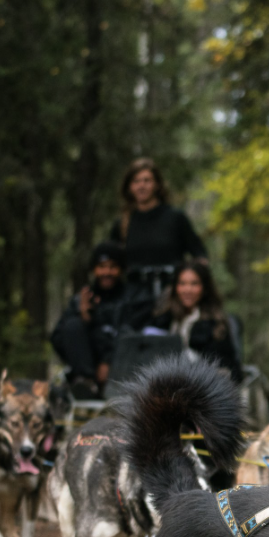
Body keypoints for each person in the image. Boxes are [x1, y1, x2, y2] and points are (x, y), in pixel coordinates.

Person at [109, 158, 207, 293]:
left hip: (172, 294)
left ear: (157, 185)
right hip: (133, 298)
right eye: (136, 181)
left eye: (146, 180)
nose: (141, 186)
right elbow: (110, 265)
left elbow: (199, 255)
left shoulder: (175, 218)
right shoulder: (122, 224)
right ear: (129, 187)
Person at [51, 243, 130, 398]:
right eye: (101, 266)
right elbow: (57, 339)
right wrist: (83, 318)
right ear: (94, 269)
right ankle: (86, 385)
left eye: (112, 266)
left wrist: (108, 362)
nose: (107, 272)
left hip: (122, 370)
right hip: (87, 372)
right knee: (73, 325)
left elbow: (131, 335)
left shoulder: (131, 299)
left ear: (121, 269)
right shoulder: (81, 301)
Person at [146, 261, 241, 380]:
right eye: (182, 283)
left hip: (202, 386)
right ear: (175, 287)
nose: (188, 290)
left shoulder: (216, 324)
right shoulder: (163, 318)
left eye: (194, 284)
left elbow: (229, 368)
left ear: (204, 288)